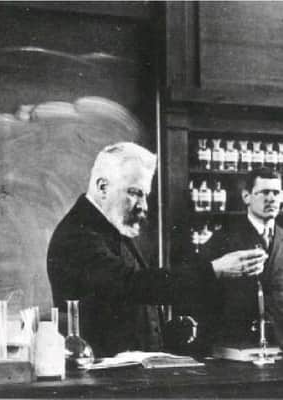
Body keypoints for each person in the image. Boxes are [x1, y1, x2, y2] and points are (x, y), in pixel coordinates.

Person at [47, 142, 267, 357]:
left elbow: (128, 302)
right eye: (134, 193)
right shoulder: (78, 235)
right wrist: (213, 270)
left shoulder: (108, 228)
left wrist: (165, 332)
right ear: (103, 187)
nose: (143, 206)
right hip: (104, 375)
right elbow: (131, 285)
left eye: (145, 195)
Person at [200, 167, 283, 353]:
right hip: (240, 342)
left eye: (276, 193)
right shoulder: (223, 238)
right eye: (264, 192)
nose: (271, 198)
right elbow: (206, 291)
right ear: (246, 197)